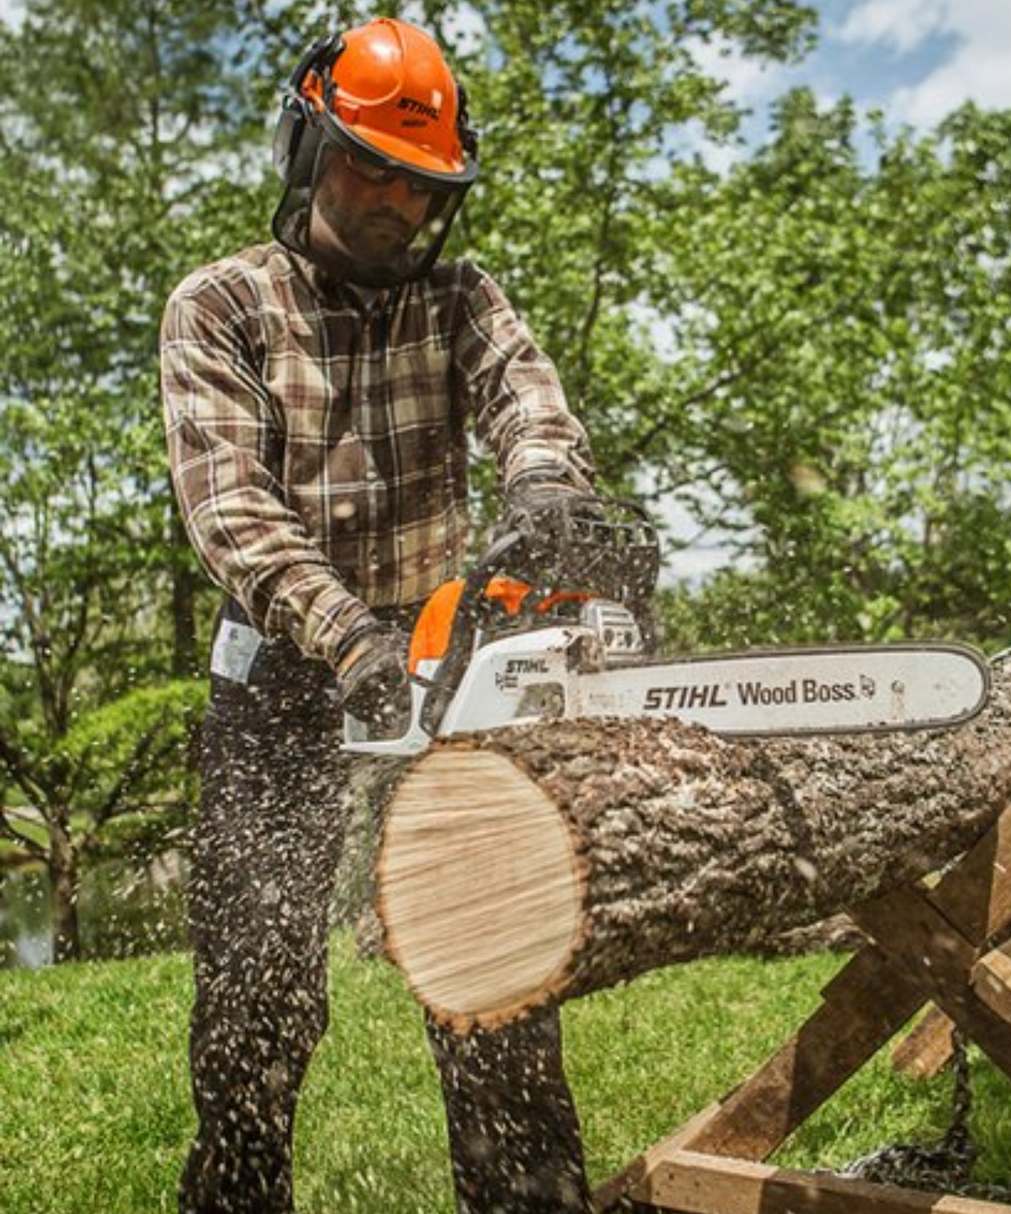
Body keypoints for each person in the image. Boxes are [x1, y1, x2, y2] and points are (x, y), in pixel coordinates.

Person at [160, 17, 596, 1214]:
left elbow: (529, 399)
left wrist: (546, 485)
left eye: (418, 182)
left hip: (440, 662)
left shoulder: (460, 298)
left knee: (488, 965)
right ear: (308, 144)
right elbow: (230, 506)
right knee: (259, 983)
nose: (393, 201)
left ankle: (527, 1196)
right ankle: (237, 1191)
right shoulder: (223, 306)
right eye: (370, 165)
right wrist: (344, 633)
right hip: (282, 673)